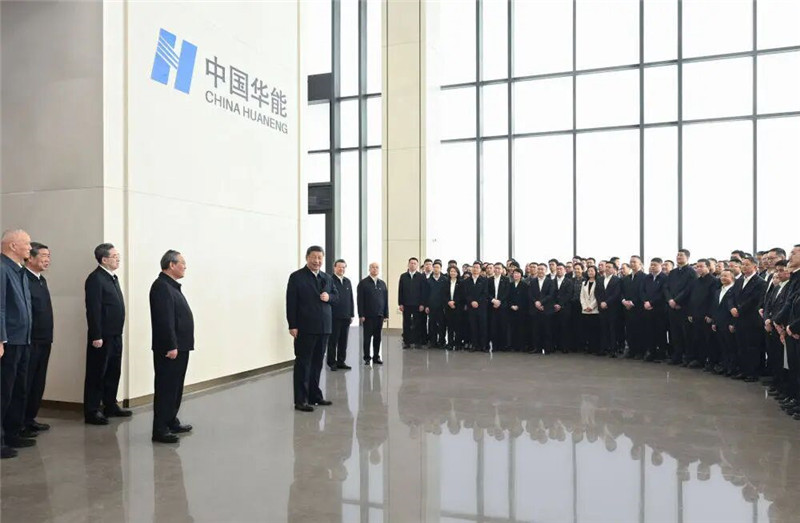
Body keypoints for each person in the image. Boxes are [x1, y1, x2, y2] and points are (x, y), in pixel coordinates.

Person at [286, 246, 339, 412]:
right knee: (303, 363)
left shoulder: (327, 278)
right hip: (305, 327)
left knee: (317, 363)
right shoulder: (297, 277)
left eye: (320, 258)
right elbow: (291, 302)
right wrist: (292, 325)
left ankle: (314, 395)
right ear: (307, 258)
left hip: (324, 327)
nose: (317, 261)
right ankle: (300, 400)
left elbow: (336, 297)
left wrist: (329, 297)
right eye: (314, 257)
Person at [149, 250, 194, 444]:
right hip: (170, 348)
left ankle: (171, 420)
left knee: (175, 387)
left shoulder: (171, 286)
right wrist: (171, 345)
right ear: (171, 265)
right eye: (182, 263)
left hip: (180, 346)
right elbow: (164, 320)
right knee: (166, 388)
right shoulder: (161, 287)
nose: (185, 266)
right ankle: (160, 429)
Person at [83, 243, 131, 425]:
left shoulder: (112, 277)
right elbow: (93, 309)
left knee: (113, 371)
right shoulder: (95, 279)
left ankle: (110, 404)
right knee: (97, 373)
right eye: (114, 256)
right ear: (104, 259)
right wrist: (96, 335)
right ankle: (92, 410)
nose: (118, 259)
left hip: (115, 334)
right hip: (102, 336)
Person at [1, 229, 34, 459]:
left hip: (23, 340)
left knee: (18, 390)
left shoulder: (19, 270)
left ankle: (12, 432)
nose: (30, 248)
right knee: (3, 391)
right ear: (13, 246)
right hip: (9, 341)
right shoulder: (2, 269)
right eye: (27, 243)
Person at [23, 242, 54, 436]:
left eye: (49, 256)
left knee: (38, 381)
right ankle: (20, 423)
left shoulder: (41, 280)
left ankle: (30, 418)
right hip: (30, 340)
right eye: (43, 256)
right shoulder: (24, 279)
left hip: (44, 339)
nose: (47, 260)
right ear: (30, 258)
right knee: (26, 382)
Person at [731, 255, 767, 382]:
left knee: (752, 347)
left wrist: (739, 310)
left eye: (747, 265)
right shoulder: (739, 281)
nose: (744, 267)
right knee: (741, 346)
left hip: (751, 319)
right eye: (743, 264)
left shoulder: (760, 282)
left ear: (755, 266)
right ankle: (743, 370)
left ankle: (752, 373)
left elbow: (754, 300)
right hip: (738, 318)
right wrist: (732, 308)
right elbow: (732, 296)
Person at [665, 249, 697, 365]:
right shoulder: (673, 272)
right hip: (672, 306)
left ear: (687, 257)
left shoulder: (691, 272)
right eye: (677, 255)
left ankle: (688, 357)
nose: (678, 257)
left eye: (681, 255)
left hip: (684, 307)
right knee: (675, 333)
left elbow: (689, 289)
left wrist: (677, 301)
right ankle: (676, 356)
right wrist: (670, 300)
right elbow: (666, 287)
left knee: (686, 334)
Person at [685, 259, 719, 370]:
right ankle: (700, 359)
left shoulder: (714, 281)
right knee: (697, 338)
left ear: (708, 267)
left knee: (708, 339)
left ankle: (711, 361)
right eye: (697, 267)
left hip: (706, 315)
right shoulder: (696, 281)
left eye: (701, 266)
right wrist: (690, 312)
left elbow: (714, 299)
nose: (698, 269)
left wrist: (710, 314)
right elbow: (691, 298)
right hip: (696, 314)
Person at [357, 262, 388, 365]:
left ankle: (376, 357)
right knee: (367, 338)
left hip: (379, 315)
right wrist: (361, 314)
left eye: (377, 267)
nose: (375, 269)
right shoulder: (363, 283)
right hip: (368, 316)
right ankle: (367, 357)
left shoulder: (382, 283)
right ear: (369, 269)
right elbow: (360, 300)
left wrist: (386, 314)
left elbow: (385, 300)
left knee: (377, 337)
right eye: (373, 267)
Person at [328, 259, 354, 371]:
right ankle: (331, 362)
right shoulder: (330, 280)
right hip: (334, 316)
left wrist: (351, 314)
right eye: (339, 267)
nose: (341, 269)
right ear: (334, 267)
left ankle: (341, 361)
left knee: (343, 341)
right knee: (333, 341)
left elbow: (351, 299)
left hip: (346, 316)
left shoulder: (347, 281)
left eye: (343, 267)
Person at [641, 258, 667, 362]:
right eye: (651, 265)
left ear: (661, 265)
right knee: (649, 331)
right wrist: (645, 301)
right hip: (647, 308)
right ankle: (651, 352)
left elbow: (662, 293)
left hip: (659, 309)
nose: (652, 267)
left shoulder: (664, 278)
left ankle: (661, 353)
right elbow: (642, 291)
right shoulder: (647, 278)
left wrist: (651, 303)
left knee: (660, 332)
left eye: (655, 265)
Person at [398, 258, 426, 348]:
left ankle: (417, 341)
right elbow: (400, 290)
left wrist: (422, 304)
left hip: (417, 304)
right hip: (406, 304)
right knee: (406, 323)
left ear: (417, 265)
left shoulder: (421, 276)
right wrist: (400, 303)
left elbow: (423, 291)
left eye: (414, 263)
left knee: (417, 323)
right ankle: (407, 342)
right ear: (408, 264)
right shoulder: (403, 276)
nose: (413, 265)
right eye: (411, 263)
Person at [528, 264, 555, 354]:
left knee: (547, 330)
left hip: (546, 309)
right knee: (535, 330)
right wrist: (536, 302)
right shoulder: (533, 281)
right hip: (535, 309)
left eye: (542, 269)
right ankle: (537, 348)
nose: (540, 271)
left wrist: (541, 302)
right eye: (539, 269)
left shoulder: (551, 281)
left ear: (546, 270)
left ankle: (548, 349)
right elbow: (530, 294)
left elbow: (551, 295)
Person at [596, 261, 622, 357]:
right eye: (606, 266)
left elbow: (616, 293)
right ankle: (603, 348)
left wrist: (606, 302)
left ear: (614, 269)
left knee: (612, 329)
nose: (607, 268)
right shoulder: (599, 279)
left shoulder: (617, 280)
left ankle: (613, 350)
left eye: (609, 267)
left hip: (612, 308)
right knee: (603, 329)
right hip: (602, 308)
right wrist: (601, 302)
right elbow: (597, 293)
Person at [462, 262, 488, 352]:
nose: (475, 269)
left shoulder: (484, 280)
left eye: (477, 267)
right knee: (473, 326)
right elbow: (466, 294)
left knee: (482, 326)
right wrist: (471, 301)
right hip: (471, 307)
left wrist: (477, 302)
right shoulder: (466, 281)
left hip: (482, 307)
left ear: (480, 269)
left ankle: (483, 345)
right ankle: (474, 345)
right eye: (474, 267)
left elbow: (485, 293)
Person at [487, 262, 509, 351]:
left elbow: (507, 292)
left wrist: (499, 301)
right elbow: (487, 292)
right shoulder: (489, 280)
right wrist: (493, 300)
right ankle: (495, 346)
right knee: (493, 326)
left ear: (502, 270)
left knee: (502, 326)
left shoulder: (506, 279)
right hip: (491, 305)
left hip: (502, 306)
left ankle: (502, 346)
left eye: (499, 268)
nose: (497, 270)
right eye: (495, 268)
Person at [580, 266, 602, 355]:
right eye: (589, 271)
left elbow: (598, 296)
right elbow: (582, 296)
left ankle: (595, 347)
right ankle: (589, 347)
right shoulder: (584, 283)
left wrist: (591, 306)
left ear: (595, 272)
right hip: (585, 310)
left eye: (592, 271)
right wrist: (585, 306)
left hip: (594, 310)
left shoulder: (599, 282)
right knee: (587, 330)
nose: (590, 272)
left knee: (595, 330)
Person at [425, 261, 448, 348]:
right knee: (432, 324)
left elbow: (446, 293)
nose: (436, 269)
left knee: (442, 324)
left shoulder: (445, 280)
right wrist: (427, 305)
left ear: (441, 269)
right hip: (432, 306)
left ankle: (442, 341)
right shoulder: (429, 280)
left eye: (437, 267)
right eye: (434, 267)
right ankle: (433, 341)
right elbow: (426, 294)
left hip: (442, 306)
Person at [507, 268, 528, 352]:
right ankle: (513, 345)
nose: (516, 275)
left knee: (521, 328)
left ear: (521, 275)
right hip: (511, 309)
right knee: (512, 328)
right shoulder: (510, 285)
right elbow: (507, 297)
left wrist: (518, 306)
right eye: (514, 273)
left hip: (521, 310)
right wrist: (511, 305)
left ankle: (521, 346)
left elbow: (526, 298)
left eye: (518, 273)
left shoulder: (525, 285)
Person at [443, 266, 463, 350]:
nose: (453, 273)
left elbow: (462, 295)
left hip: (458, 307)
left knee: (458, 326)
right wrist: (448, 302)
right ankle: (450, 343)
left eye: (454, 271)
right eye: (451, 271)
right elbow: (443, 294)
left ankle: (458, 343)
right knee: (450, 326)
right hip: (448, 307)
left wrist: (454, 302)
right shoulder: (446, 282)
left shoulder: (461, 283)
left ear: (457, 273)